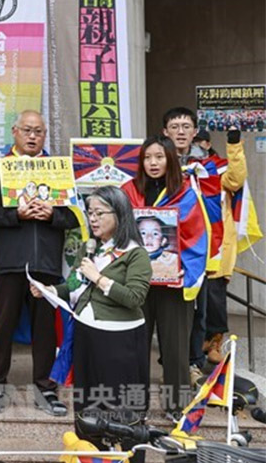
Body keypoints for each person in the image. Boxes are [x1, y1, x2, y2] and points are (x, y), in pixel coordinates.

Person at [0, 110, 78, 417]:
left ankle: (46, 389)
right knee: (1, 327)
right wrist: (14, 215)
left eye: (38, 131)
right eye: (27, 130)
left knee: (46, 331)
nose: (32, 136)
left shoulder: (57, 171)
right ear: (14, 132)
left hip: (46, 264)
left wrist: (53, 215)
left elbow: (75, 216)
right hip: (8, 262)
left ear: (45, 135)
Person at [32, 186, 151, 458]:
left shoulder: (136, 254)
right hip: (86, 334)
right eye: (90, 213)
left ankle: (127, 457)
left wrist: (98, 277)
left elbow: (135, 297)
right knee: (87, 405)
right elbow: (75, 284)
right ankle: (89, 455)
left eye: (99, 213)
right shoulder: (91, 247)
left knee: (122, 409)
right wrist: (49, 290)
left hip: (119, 341)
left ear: (119, 214)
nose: (93, 219)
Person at [122, 136, 208, 420]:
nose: (153, 163)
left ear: (170, 159)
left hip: (174, 283)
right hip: (136, 284)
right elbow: (115, 232)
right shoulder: (128, 191)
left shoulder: (186, 193)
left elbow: (197, 238)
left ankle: (176, 407)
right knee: (134, 347)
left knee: (175, 350)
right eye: (147, 157)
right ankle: (135, 407)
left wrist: (187, 271)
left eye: (159, 157)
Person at [162, 107, 246, 378]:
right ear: (165, 131)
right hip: (167, 247)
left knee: (199, 309)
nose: (181, 132)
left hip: (200, 247)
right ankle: (172, 364)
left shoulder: (211, 166)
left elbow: (236, 179)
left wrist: (234, 143)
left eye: (186, 126)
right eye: (175, 127)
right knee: (169, 312)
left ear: (195, 131)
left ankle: (193, 363)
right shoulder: (157, 163)